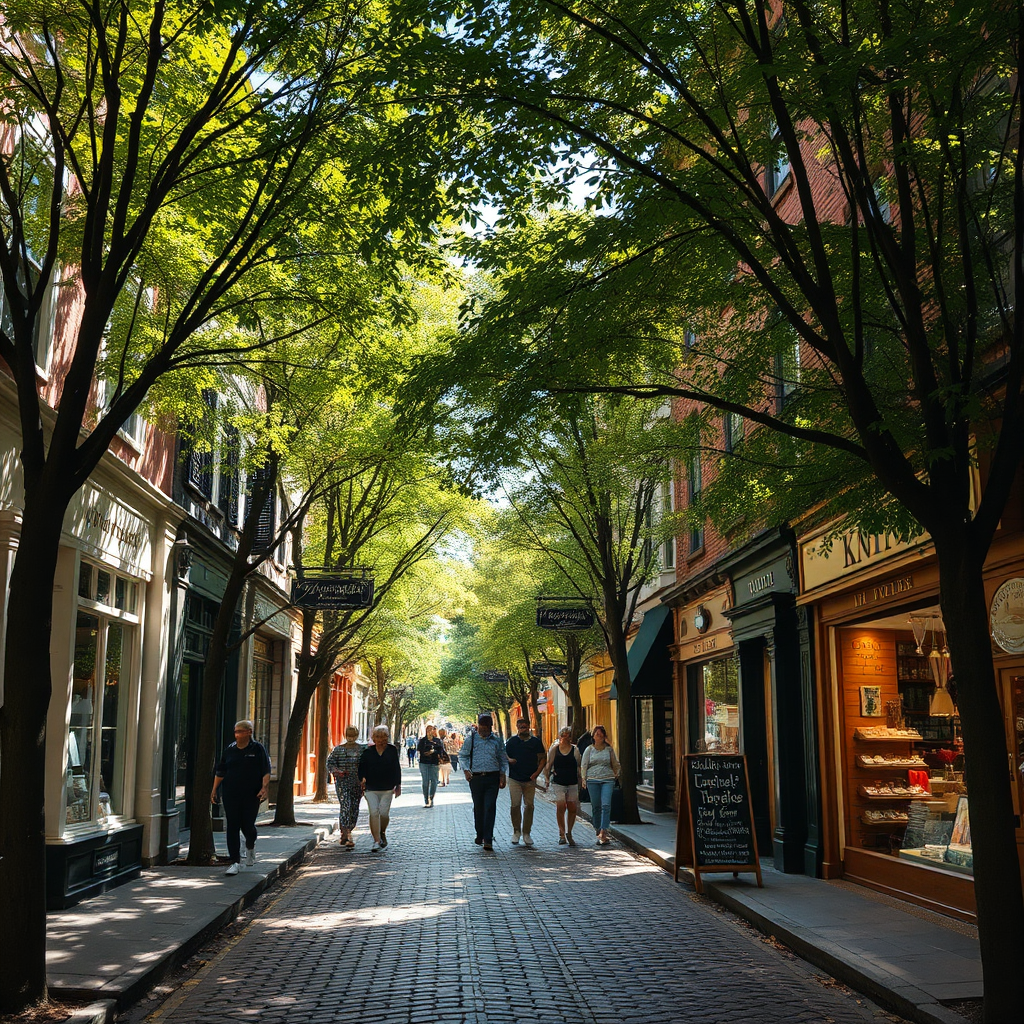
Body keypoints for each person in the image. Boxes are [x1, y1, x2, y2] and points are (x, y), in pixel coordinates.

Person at [211, 720, 272, 876]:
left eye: (240, 731)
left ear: (249, 732)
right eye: (235, 732)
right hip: (230, 793)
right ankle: (235, 862)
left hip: (251, 794)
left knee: (248, 825)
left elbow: (266, 770)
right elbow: (221, 771)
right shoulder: (230, 750)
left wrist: (264, 788)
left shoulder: (258, 749)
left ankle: (250, 846)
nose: (237, 735)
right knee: (232, 825)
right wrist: (214, 789)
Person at [461, 713, 508, 851]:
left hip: (492, 777)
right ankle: (480, 833)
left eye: (486, 727)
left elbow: (502, 758)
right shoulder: (471, 740)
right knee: (478, 807)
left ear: (490, 727)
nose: (483, 730)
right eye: (481, 727)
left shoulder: (497, 741)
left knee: (489, 806)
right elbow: (463, 756)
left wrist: (503, 774)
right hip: (476, 778)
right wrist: (466, 770)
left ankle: (488, 838)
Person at [359, 725, 402, 852]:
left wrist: (398, 785)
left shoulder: (392, 750)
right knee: (374, 812)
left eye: (384, 737)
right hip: (371, 788)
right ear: (373, 738)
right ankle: (376, 841)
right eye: (378, 737)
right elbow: (361, 768)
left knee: (383, 814)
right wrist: (362, 779)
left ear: (387, 737)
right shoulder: (367, 752)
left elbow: (396, 767)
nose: (381, 740)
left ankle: (382, 832)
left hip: (387, 788)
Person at [504, 717, 546, 847]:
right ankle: (516, 831)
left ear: (529, 727)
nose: (523, 729)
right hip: (514, 778)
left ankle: (527, 833)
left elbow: (543, 759)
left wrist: (537, 773)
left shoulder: (536, 742)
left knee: (529, 806)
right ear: (517, 727)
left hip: (530, 779)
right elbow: (504, 755)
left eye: (525, 726)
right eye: (521, 727)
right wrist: (509, 760)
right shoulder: (512, 742)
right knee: (515, 805)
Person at [580, 724, 620, 845]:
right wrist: (584, 779)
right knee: (596, 806)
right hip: (592, 780)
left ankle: (604, 830)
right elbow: (584, 765)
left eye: (601, 733)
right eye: (597, 734)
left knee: (606, 805)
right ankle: (598, 828)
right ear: (593, 736)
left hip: (607, 779)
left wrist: (616, 774)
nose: (599, 735)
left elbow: (615, 763)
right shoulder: (589, 750)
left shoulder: (609, 749)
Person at [326, 725, 364, 849]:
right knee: (346, 806)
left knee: (354, 808)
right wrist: (337, 771)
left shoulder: (362, 750)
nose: (351, 738)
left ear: (356, 736)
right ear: (345, 735)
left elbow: (366, 765)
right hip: (342, 783)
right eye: (349, 735)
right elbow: (330, 763)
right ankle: (346, 833)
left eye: (353, 735)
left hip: (357, 783)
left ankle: (348, 830)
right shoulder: (338, 750)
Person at [544, 726, 582, 846]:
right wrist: (546, 778)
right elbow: (548, 764)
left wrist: (581, 780)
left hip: (572, 782)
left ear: (570, 737)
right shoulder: (555, 749)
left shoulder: (575, 750)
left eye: (567, 735)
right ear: (559, 737)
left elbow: (579, 766)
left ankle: (569, 832)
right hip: (558, 782)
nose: (565, 738)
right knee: (561, 806)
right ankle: (561, 833)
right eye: (563, 735)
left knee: (572, 807)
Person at [418, 724, 444, 806]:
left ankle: (431, 798)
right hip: (424, 763)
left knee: (434, 781)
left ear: (434, 731)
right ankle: (426, 799)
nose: (429, 731)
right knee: (425, 782)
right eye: (428, 730)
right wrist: (426, 752)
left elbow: (441, 751)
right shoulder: (422, 740)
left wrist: (433, 751)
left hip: (434, 762)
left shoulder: (437, 741)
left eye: (431, 729)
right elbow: (419, 750)